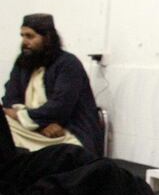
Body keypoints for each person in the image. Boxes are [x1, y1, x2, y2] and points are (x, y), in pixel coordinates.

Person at [2, 14, 103, 157]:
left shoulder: (67, 64)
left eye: (30, 36)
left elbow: (60, 107)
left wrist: (24, 117)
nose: (24, 42)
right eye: (22, 36)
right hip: (35, 128)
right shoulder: (23, 61)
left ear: (47, 38)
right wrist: (33, 122)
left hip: (64, 131)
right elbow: (9, 98)